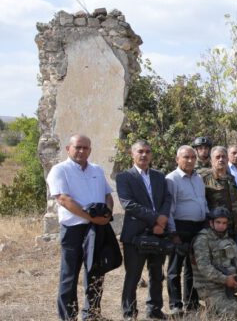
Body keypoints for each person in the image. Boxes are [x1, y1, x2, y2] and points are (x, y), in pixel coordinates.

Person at [47, 135, 114, 321]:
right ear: (68, 148)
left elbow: (108, 194)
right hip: (74, 229)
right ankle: (68, 317)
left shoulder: (97, 170)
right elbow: (63, 199)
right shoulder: (59, 170)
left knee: (96, 272)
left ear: (90, 150)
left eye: (85, 148)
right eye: (78, 147)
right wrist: (92, 218)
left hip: (97, 229)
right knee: (69, 275)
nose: (81, 151)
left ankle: (92, 314)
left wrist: (107, 213)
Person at [117, 140, 172, 320]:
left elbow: (167, 198)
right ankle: (129, 313)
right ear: (132, 154)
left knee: (157, 274)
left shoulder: (159, 176)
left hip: (158, 232)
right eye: (140, 151)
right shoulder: (125, 177)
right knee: (133, 276)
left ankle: (154, 309)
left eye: (147, 151)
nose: (144, 155)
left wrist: (162, 221)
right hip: (135, 235)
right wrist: (157, 218)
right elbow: (129, 204)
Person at [192, 207, 237, 317]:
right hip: (211, 286)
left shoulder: (227, 239)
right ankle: (214, 306)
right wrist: (225, 279)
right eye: (218, 222)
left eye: (224, 223)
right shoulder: (202, 239)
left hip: (230, 282)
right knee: (234, 313)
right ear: (211, 223)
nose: (221, 225)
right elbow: (204, 267)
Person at [166, 145, 209, 315]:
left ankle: (192, 302)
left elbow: (203, 201)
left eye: (193, 157)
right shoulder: (172, 179)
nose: (190, 160)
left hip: (198, 227)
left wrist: (206, 220)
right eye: (186, 157)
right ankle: (176, 305)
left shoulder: (198, 178)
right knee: (174, 268)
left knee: (192, 267)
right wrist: (173, 233)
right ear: (177, 159)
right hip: (180, 227)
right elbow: (168, 208)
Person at [203, 146, 237, 239]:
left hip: (232, 227)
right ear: (211, 161)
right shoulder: (205, 178)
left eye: (223, 157)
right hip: (215, 229)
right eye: (217, 157)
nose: (221, 159)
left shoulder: (231, 178)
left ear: (227, 159)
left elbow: (235, 203)